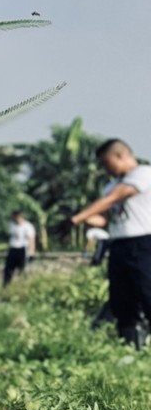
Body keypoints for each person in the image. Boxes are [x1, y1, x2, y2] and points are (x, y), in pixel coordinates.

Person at [70, 138, 151, 347]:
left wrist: (77, 217)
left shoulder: (143, 174)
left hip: (144, 243)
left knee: (147, 293)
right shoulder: (110, 186)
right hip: (119, 244)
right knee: (122, 300)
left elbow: (115, 198)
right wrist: (81, 219)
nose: (105, 169)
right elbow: (105, 219)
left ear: (121, 156)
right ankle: (132, 346)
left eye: (106, 163)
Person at [4, 210, 37, 287]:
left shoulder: (27, 226)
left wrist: (31, 252)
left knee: (22, 269)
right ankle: (6, 286)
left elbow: (31, 239)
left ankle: (23, 286)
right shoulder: (11, 225)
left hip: (22, 249)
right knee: (8, 269)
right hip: (13, 248)